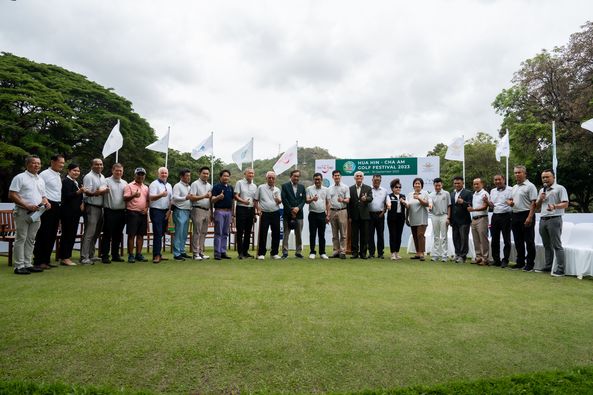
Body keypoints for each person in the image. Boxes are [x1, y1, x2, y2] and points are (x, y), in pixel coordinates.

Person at [8, 155, 50, 274]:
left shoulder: (40, 179)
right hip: (23, 212)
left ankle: (28, 263)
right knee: (21, 238)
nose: (37, 165)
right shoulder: (20, 177)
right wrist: (26, 205)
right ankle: (19, 266)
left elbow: (43, 196)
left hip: (37, 213)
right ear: (27, 165)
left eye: (39, 163)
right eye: (34, 163)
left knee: (31, 239)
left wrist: (47, 202)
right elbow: (12, 194)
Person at [33, 154, 65, 270]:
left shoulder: (57, 175)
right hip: (47, 206)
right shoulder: (44, 174)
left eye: (63, 163)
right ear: (52, 162)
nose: (62, 165)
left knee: (52, 234)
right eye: (60, 162)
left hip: (56, 205)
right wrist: (45, 202)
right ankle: (38, 261)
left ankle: (46, 260)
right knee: (43, 233)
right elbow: (40, 190)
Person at [535, 169, 569, 277]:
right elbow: (537, 206)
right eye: (543, 177)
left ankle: (560, 269)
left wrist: (555, 206)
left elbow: (565, 204)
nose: (545, 179)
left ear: (553, 177)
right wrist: (541, 199)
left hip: (554, 219)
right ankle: (548, 266)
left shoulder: (560, 188)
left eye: (547, 177)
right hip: (543, 219)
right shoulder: (542, 191)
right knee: (546, 245)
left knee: (556, 245)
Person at [508, 165, 537, 271]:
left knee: (529, 241)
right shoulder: (514, 187)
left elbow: (533, 203)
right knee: (518, 240)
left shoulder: (530, 186)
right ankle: (520, 262)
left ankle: (530, 264)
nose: (517, 174)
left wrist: (530, 217)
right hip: (515, 214)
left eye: (519, 172)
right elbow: (511, 200)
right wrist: (509, 203)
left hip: (526, 214)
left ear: (525, 174)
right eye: (515, 173)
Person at [80, 158, 109, 264]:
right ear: (92, 165)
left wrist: (105, 191)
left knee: (96, 233)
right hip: (91, 206)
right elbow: (87, 192)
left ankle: (91, 255)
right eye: (97, 164)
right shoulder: (89, 176)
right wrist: (100, 192)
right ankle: (84, 257)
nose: (99, 166)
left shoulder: (102, 177)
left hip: (100, 207)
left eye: (101, 164)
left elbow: (103, 189)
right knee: (89, 232)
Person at [58, 163, 85, 266]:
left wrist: (81, 202)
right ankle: (65, 257)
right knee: (67, 235)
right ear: (69, 171)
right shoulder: (66, 182)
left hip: (75, 213)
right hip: (67, 213)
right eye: (74, 170)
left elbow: (78, 196)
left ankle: (66, 256)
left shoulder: (75, 182)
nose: (76, 172)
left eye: (78, 171)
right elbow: (67, 196)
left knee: (71, 235)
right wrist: (79, 192)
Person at [100, 163, 127, 263]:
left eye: (120, 171)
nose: (118, 172)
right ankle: (105, 255)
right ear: (112, 170)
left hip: (121, 212)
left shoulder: (125, 183)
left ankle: (115, 255)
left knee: (118, 234)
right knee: (108, 234)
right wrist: (104, 190)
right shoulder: (106, 181)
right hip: (109, 211)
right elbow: (101, 190)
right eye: (117, 170)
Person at [123, 167, 149, 263]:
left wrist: (146, 208)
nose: (140, 176)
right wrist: (133, 195)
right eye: (139, 174)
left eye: (142, 174)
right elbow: (125, 198)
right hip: (132, 213)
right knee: (131, 235)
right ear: (135, 175)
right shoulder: (129, 186)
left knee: (141, 235)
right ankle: (131, 255)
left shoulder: (146, 187)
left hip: (143, 213)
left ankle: (139, 254)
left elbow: (147, 200)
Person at [254, 171, 282, 260]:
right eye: (269, 177)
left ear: (275, 179)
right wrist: (258, 209)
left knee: (276, 233)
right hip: (264, 213)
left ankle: (274, 253)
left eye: (272, 178)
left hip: (275, 212)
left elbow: (279, 202)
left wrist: (278, 200)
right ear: (266, 178)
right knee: (263, 233)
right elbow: (255, 200)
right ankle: (261, 253)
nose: (271, 179)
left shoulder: (277, 189)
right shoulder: (261, 187)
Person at [148, 167, 172, 264]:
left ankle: (159, 254)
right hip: (156, 210)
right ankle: (156, 255)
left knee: (162, 233)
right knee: (157, 233)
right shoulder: (154, 184)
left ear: (168, 174)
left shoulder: (169, 185)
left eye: (165, 173)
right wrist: (161, 195)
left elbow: (171, 199)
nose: (164, 174)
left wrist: (169, 211)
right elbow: (151, 197)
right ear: (158, 174)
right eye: (162, 173)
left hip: (165, 211)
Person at [281, 169, 306, 259]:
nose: (296, 178)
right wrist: (291, 210)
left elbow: (304, 200)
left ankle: (298, 252)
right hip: (288, 214)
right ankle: (285, 252)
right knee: (286, 234)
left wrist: (298, 208)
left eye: (298, 176)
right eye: (295, 176)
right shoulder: (284, 186)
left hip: (299, 214)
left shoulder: (302, 187)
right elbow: (284, 199)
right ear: (291, 176)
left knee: (298, 234)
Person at [488, 174, 512, 268]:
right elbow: (492, 205)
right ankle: (496, 260)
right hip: (495, 215)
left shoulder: (510, 189)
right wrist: (487, 202)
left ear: (504, 180)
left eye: (499, 179)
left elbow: (512, 202)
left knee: (506, 239)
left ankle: (505, 260)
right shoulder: (492, 191)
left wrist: (510, 203)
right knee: (494, 239)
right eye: (495, 180)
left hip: (506, 215)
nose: (497, 181)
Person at [348, 171, 373, 259]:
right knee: (354, 236)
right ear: (354, 178)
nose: (359, 177)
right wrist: (349, 216)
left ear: (362, 178)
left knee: (364, 235)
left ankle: (363, 253)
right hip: (354, 216)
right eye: (357, 176)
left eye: (360, 176)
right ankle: (354, 253)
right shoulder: (350, 189)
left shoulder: (368, 188)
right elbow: (349, 204)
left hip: (364, 216)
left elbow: (371, 198)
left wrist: (366, 198)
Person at [404, 177, 430, 261]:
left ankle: (422, 253)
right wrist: (406, 218)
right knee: (415, 236)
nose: (417, 185)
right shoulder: (409, 194)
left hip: (422, 218)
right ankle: (418, 253)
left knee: (420, 235)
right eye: (415, 183)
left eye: (419, 183)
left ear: (422, 185)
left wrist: (418, 198)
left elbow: (427, 204)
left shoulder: (425, 193)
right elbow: (408, 206)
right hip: (412, 218)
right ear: (413, 185)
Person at [234, 168, 257, 259]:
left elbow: (255, 200)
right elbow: (236, 196)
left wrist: (255, 213)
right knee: (240, 231)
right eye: (249, 173)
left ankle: (245, 251)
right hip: (241, 209)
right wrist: (243, 201)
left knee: (248, 232)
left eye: (252, 173)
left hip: (251, 209)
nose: (251, 175)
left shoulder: (254, 186)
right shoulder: (239, 183)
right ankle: (240, 253)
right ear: (245, 174)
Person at [189, 166, 211, 261]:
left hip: (207, 210)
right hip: (197, 209)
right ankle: (195, 253)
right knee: (197, 232)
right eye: (204, 173)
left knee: (204, 232)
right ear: (200, 173)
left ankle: (201, 252)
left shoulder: (209, 185)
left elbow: (210, 199)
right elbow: (192, 197)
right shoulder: (195, 184)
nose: (206, 175)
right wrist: (204, 196)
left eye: (207, 174)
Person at [306, 172, 330, 260]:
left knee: (321, 234)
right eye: (315, 179)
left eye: (318, 179)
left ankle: (322, 252)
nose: (317, 181)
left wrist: (328, 215)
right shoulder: (309, 189)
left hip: (322, 214)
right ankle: (312, 252)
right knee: (312, 234)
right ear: (313, 180)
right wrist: (312, 199)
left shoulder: (326, 189)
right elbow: (307, 201)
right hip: (312, 213)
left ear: (321, 180)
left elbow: (328, 203)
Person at [211, 169, 234, 260]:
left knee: (225, 233)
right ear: (220, 177)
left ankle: (223, 252)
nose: (226, 177)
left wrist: (233, 214)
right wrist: (218, 197)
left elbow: (232, 201)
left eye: (227, 176)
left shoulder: (230, 188)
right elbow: (212, 200)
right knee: (218, 233)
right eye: (224, 176)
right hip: (219, 211)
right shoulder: (216, 187)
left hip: (228, 212)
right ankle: (217, 253)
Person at [449, 176, 472, 263]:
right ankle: (457, 254)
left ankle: (463, 256)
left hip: (464, 220)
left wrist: (464, 202)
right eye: (455, 183)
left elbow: (471, 204)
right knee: (455, 238)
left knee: (463, 239)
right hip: (454, 221)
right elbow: (450, 207)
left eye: (458, 183)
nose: (457, 185)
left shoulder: (468, 193)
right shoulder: (452, 194)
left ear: (463, 183)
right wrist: (450, 219)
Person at [171, 168, 192, 261]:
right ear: (181, 176)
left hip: (187, 211)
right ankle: (176, 253)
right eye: (186, 175)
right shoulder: (177, 185)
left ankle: (182, 251)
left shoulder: (189, 187)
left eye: (189, 175)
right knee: (179, 233)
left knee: (184, 233)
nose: (188, 177)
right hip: (179, 210)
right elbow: (174, 197)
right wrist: (185, 197)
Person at [327, 170, 349, 259]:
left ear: (341, 176)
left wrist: (342, 200)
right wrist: (328, 214)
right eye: (335, 176)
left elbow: (348, 200)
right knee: (334, 233)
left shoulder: (345, 187)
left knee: (343, 234)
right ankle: (336, 251)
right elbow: (328, 202)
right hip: (332, 211)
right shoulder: (330, 188)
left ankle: (343, 251)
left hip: (342, 211)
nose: (337, 177)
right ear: (333, 177)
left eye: (338, 175)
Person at [468, 177, 490, 265]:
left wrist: (473, 210)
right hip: (474, 219)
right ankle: (478, 257)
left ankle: (485, 259)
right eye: (474, 184)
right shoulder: (474, 194)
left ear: (482, 184)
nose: (476, 185)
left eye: (477, 184)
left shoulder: (484, 193)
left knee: (483, 239)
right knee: (476, 239)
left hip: (482, 218)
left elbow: (485, 206)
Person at [368, 174, 389, 259]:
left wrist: (384, 212)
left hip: (380, 215)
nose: (376, 181)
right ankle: (371, 253)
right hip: (370, 215)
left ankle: (380, 253)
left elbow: (386, 203)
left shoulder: (384, 190)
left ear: (380, 181)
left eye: (378, 180)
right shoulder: (368, 189)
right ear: (372, 180)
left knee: (380, 235)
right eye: (375, 180)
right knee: (370, 235)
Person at [429, 177, 450, 262]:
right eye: (436, 185)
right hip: (434, 216)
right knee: (436, 236)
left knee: (444, 236)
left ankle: (444, 256)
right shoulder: (431, 194)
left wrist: (448, 217)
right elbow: (429, 206)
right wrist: (429, 208)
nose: (437, 187)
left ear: (442, 185)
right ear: (433, 185)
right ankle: (436, 255)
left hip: (444, 216)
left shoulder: (446, 193)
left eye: (439, 185)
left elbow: (449, 206)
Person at [387, 179, 406, 260]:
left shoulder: (403, 196)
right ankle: (392, 253)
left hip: (400, 218)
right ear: (392, 188)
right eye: (396, 187)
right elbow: (388, 203)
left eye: (399, 187)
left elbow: (408, 205)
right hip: (392, 218)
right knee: (393, 235)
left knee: (399, 235)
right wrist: (389, 206)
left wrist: (404, 202)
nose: (398, 188)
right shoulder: (389, 196)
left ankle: (397, 252)